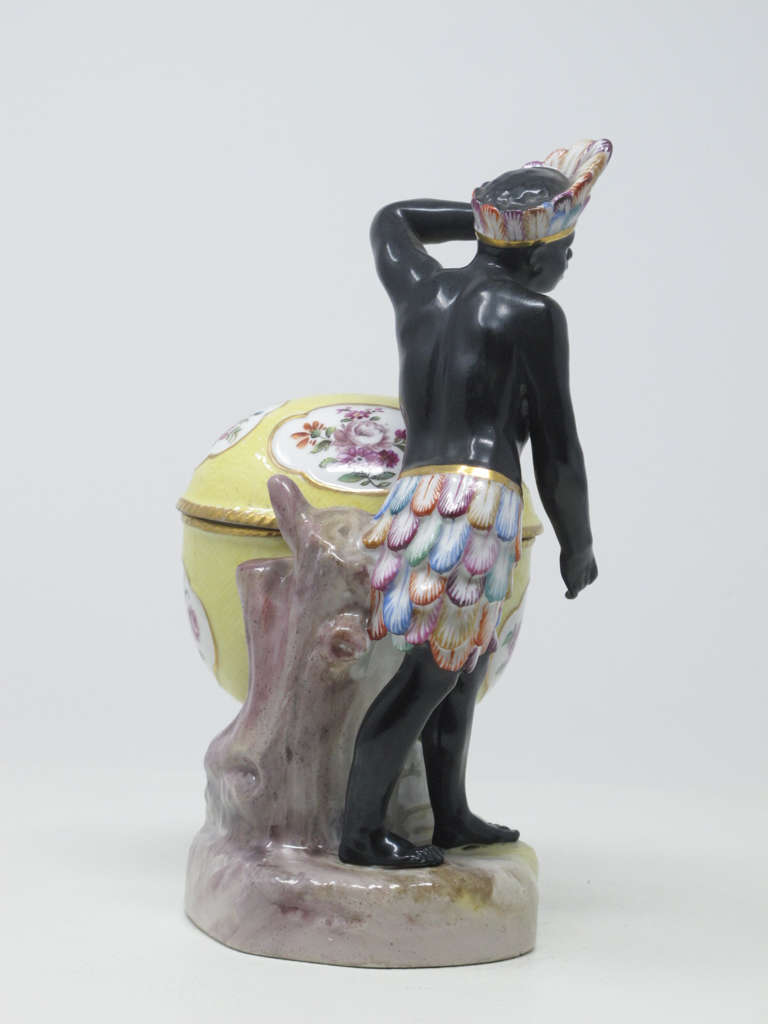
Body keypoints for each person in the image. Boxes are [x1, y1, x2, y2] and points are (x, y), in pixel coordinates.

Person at [339, 139, 612, 868]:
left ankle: (450, 814)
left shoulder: (421, 291)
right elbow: (557, 445)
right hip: (474, 502)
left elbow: (392, 218)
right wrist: (578, 542)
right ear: (536, 254)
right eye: (564, 248)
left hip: (417, 496)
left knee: (461, 666)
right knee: (430, 673)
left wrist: (490, 222)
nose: (567, 262)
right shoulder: (534, 313)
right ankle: (359, 834)